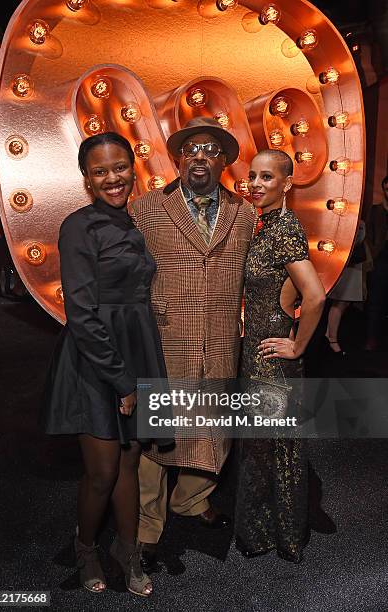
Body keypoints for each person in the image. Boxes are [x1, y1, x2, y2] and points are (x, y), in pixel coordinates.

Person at [42, 132, 171, 597]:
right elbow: (80, 311)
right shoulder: (79, 226)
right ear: (87, 179)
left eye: (119, 167)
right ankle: (85, 549)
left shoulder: (136, 224)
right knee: (102, 471)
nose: (112, 178)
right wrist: (121, 380)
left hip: (137, 348)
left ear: (132, 166)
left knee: (131, 461)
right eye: (100, 171)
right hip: (95, 358)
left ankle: (128, 550)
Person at [130, 117, 257, 569]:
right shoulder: (145, 209)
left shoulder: (244, 213)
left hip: (222, 336)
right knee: (159, 438)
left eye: (210, 150)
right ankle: (147, 529)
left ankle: (192, 500)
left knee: (212, 429)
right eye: (191, 149)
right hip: (166, 338)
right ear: (179, 159)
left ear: (223, 162)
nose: (199, 156)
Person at [235, 149, 325, 563]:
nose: (256, 183)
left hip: (271, 357)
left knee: (275, 446)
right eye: (253, 176)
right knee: (265, 445)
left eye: (267, 178)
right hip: (256, 349)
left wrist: (299, 344)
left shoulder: (285, 228)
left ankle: (278, 535)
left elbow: (315, 295)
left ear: (287, 184)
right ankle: (271, 532)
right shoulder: (265, 226)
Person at [326, 220, 368, 355]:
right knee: (341, 300)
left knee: (344, 301)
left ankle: (330, 334)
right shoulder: (349, 218)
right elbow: (355, 240)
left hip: (352, 262)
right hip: (346, 262)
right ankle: (331, 339)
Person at [365, 175, 388, 351]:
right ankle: (372, 338)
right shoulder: (376, 210)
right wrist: (371, 256)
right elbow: (367, 237)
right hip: (380, 261)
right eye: (386, 189)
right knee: (376, 301)